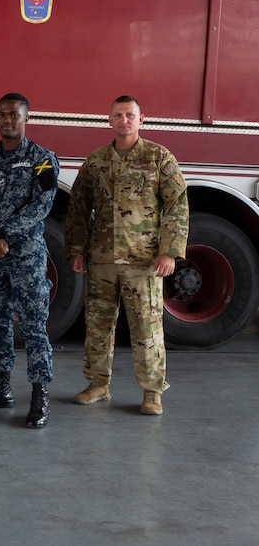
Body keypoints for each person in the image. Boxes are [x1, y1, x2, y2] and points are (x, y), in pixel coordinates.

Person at [65, 95, 189, 415]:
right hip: (103, 259)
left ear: (141, 119)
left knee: (146, 327)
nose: (124, 120)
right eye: (118, 115)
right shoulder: (96, 161)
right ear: (110, 120)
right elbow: (78, 207)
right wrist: (76, 249)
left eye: (130, 115)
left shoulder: (158, 157)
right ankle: (97, 384)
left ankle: (151, 391)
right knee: (97, 325)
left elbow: (177, 206)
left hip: (143, 261)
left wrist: (170, 252)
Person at [0, 93, 59, 428]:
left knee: (34, 327)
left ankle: (39, 396)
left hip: (27, 258)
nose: (7, 120)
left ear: (26, 118)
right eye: (2, 115)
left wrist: (1, 233)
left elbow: (42, 204)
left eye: (14, 115)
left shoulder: (42, 159)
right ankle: (1, 387)